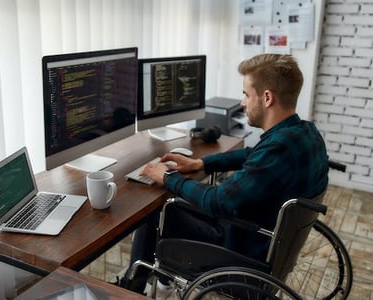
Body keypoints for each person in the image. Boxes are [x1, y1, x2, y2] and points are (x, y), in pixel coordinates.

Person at [119, 53, 329, 294]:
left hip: (240, 249)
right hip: (268, 238)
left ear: (267, 97)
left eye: (246, 94)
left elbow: (219, 201)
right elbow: (252, 154)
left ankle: (130, 289)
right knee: (183, 199)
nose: (243, 102)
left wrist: (167, 177)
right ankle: (152, 282)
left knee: (157, 211)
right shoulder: (306, 133)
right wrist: (200, 164)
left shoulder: (277, 149)